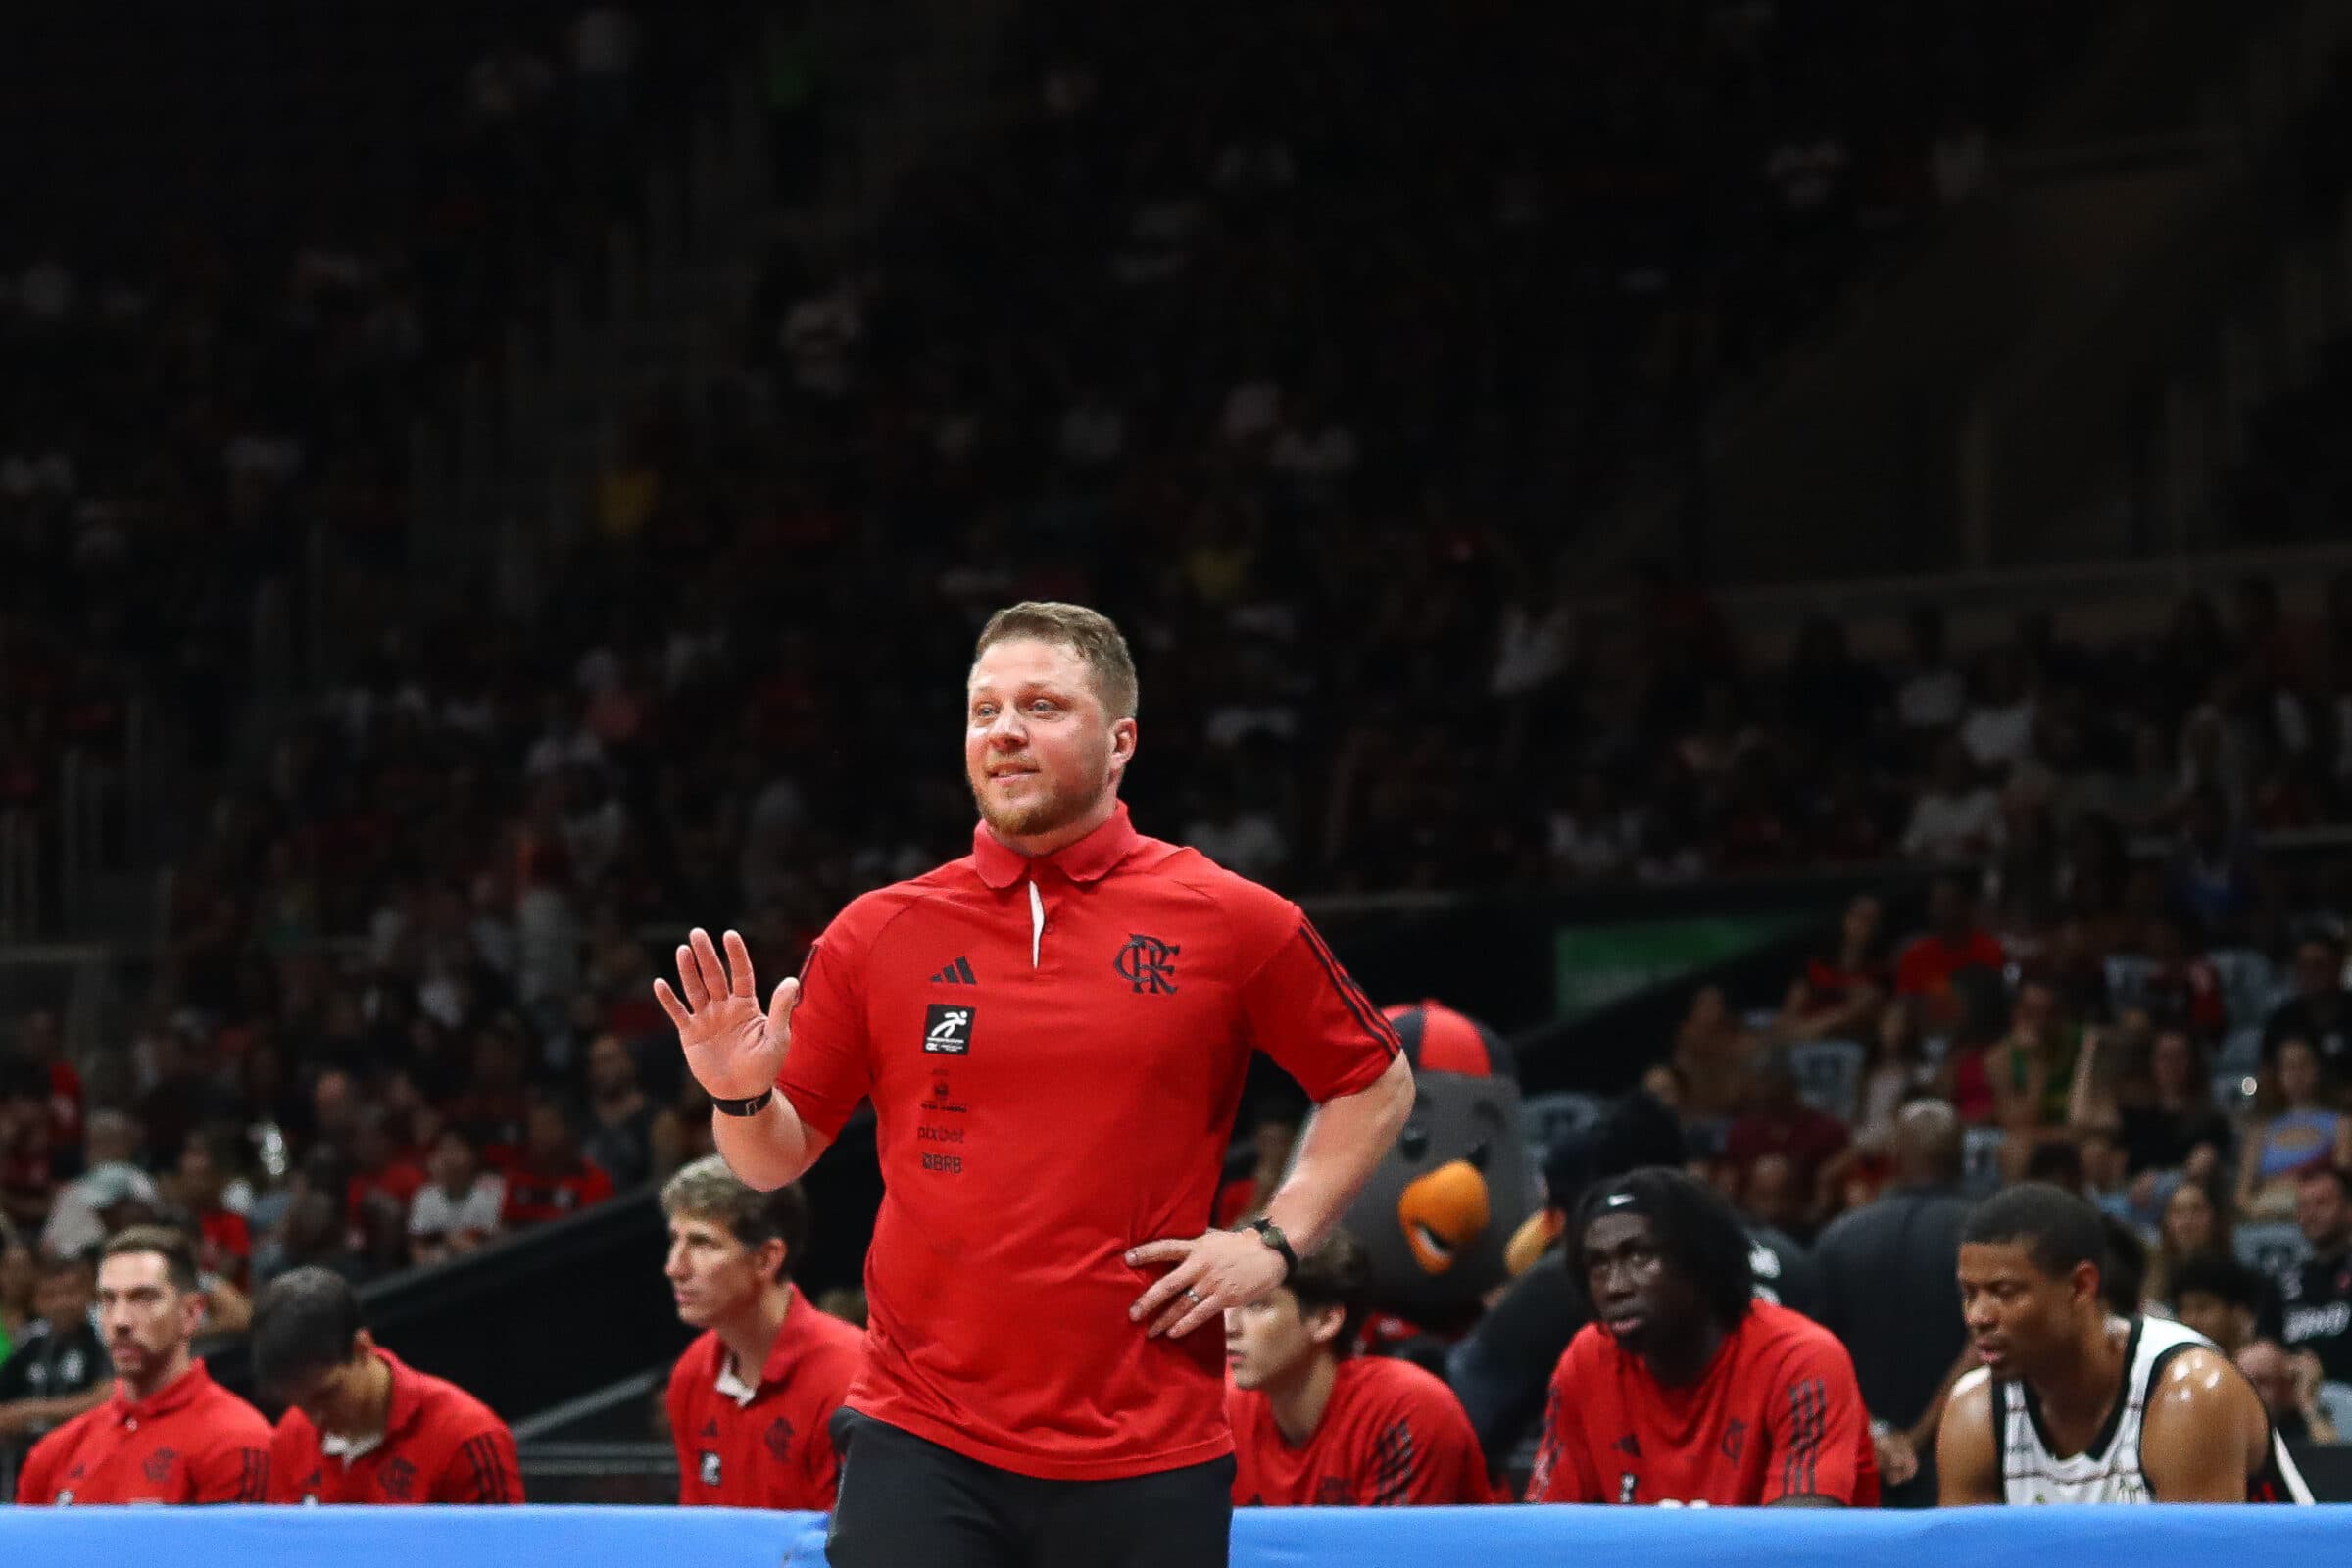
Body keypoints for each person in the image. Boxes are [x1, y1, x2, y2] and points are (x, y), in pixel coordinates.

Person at [655, 602, 1413, 1568]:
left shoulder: (1229, 918)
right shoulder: (880, 930)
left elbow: (1376, 1079)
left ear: (1121, 740)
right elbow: (771, 1162)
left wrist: (1275, 1237)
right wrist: (738, 1093)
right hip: (922, 1434)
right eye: (985, 709)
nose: (1004, 730)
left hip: (1148, 1445)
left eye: (1043, 705)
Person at [1936, 1182, 2312, 1504]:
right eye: (1969, 1294)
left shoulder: (2190, 1394)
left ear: (2081, 1286)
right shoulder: (1975, 1413)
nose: (1978, 1316)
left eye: (2003, 1292)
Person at [1525, 1167, 1879, 1507]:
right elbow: (1542, 1538)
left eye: (1641, 1257)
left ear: (1700, 1263)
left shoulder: (1801, 1360)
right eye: (1598, 1265)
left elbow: (1796, 1549)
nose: (1615, 1287)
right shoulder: (1588, 1360)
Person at [1223, 1230, 1489, 1506]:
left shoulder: (1406, 1409)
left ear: (1326, 1319)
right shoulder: (1222, 1411)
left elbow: (1392, 1549)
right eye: (1225, 1304)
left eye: (1257, 1305)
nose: (1228, 1326)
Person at [14, 1226, 272, 1504]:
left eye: (144, 1299)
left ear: (191, 1313)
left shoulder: (237, 1439)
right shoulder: (54, 1451)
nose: (120, 1320)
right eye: (108, 1300)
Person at [662, 1154, 862, 1509]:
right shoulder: (691, 1374)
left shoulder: (848, 1377)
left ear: (767, 1259)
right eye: (676, 1240)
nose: (674, 1267)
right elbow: (696, 1536)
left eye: (702, 1243)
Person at [1812, 1100, 1974, 1507]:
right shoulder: (1992, 1238)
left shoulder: (1839, 1236)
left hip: (1859, 1460)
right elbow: (1987, 1345)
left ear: (1895, 1155)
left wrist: (1875, 1434)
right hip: (1964, 1457)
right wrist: (1917, 1437)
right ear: (1963, 1155)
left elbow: (1814, 1352)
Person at [252, 1265, 521, 1504]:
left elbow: (506, 1556)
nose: (316, 1419)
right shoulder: (292, 1435)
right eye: (300, 1403)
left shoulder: (467, 1437)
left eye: (326, 1395)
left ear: (362, 1347)